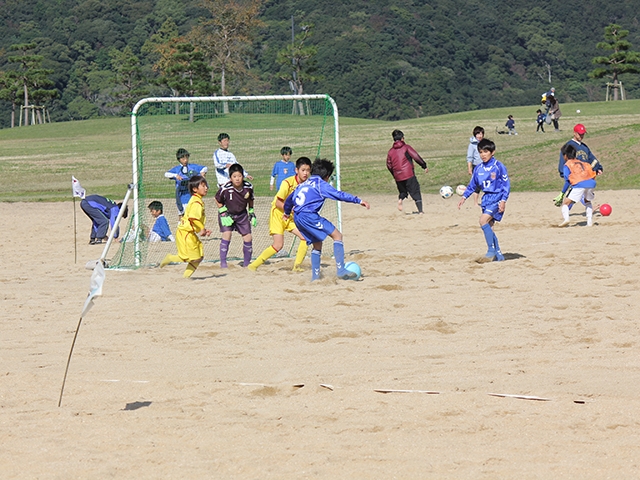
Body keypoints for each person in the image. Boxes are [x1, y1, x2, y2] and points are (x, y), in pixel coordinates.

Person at [283, 158, 370, 281]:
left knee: (317, 244)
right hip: (309, 216)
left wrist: (287, 213)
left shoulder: (302, 185)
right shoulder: (320, 184)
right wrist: (358, 200)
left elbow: (288, 200)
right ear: (327, 176)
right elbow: (339, 195)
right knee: (337, 235)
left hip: (297, 218)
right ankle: (340, 269)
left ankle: (315, 277)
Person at [248, 156, 312, 272]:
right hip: (278, 215)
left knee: (305, 237)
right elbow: (278, 202)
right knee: (278, 245)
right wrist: (291, 210)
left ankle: (296, 267)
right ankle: (253, 266)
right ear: (296, 170)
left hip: (290, 216)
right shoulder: (287, 183)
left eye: (308, 170)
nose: (305, 173)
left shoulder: (307, 185)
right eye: (303, 170)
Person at [457, 138, 510, 263]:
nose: (483, 155)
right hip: (486, 199)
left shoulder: (498, 166)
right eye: (480, 152)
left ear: (493, 152)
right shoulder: (478, 169)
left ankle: (491, 250)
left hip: (496, 198)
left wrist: (503, 200)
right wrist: (464, 197)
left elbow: (506, 185)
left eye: (486, 151)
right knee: (489, 227)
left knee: (482, 221)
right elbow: (473, 186)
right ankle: (499, 254)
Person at [160, 175, 212, 278]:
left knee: (199, 257)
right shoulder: (196, 201)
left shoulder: (197, 199)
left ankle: (185, 278)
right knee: (188, 257)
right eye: (203, 186)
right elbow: (193, 218)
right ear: (195, 189)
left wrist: (203, 229)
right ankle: (170, 258)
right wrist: (202, 228)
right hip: (185, 233)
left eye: (206, 185)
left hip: (190, 233)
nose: (206, 188)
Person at [215, 163, 255, 268]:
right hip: (227, 215)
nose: (237, 179)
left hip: (242, 215)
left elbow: (251, 200)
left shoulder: (248, 187)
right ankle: (223, 263)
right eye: (234, 177)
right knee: (227, 235)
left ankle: (247, 264)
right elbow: (217, 199)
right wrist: (223, 212)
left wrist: (251, 211)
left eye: (239, 176)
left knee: (248, 237)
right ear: (230, 178)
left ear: (243, 176)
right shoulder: (225, 188)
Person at [553, 124, 603, 206]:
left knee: (580, 194)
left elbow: (591, 158)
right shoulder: (569, 145)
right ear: (574, 133)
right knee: (573, 195)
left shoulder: (584, 147)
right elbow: (563, 158)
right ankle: (566, 212)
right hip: (574, 174)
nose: (581, 136)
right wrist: (563, 172)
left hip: (584, 174)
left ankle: (584, 210)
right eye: (580, 134)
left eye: (583, 134)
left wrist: (598, 168)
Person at [386, 129, 428, 213]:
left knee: (403, 191)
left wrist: (394, 174)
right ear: (402, 138)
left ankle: (400, 199)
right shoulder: (406, 147)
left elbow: (388, 165)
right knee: (415, 191)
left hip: (398, 176)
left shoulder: (390, 151)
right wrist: (424, 165)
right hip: (408, 174)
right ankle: (420, 211)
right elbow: (416, 156)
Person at [558, 143, 596, 227]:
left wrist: (562, 193)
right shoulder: (583, 163)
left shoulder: (567, 165)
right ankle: (589, 222)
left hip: (579, 184)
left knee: (566, 203)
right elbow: (592, 174)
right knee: (587, 201)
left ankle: (566, 219)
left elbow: (567, 181)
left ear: (565, 156)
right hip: (591, 183)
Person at [164, 148, 208, 216]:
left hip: (193, 197)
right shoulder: (177, 169)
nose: (185, 160)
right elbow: (166, 174)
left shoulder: (192, 167)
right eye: (183, 159)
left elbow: (204, 168)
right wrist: (175, 175)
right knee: (182, 216)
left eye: (186, 158)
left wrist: (203, 172)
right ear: (179, 159)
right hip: (182, 198)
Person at [466, 126, 484, 207]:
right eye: (478, 134)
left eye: (481, 134)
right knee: (477, 185)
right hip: (476, 166)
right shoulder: (472, 145)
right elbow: (470, 157)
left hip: (485, 165)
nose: (480, 136)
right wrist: (469, 168)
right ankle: (475, 202)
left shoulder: (484, 143)